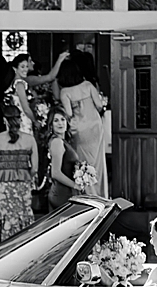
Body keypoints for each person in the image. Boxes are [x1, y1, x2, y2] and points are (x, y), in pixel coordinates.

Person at [0, 104, 40, 248]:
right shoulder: (30, 140)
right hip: (23, 185)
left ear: (4, 120)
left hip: (3, 185)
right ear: (20, 120)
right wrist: (26, 176)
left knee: (3, 216)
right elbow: (34, 168)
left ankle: (1, 248)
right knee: (23, 215)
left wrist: (0, 175)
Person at [57, 45, 109, 195]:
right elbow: (99, 105)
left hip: (79, 129)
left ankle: (87, 194)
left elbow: (68, 113)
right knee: (98, 161)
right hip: (95, 126)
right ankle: (101, 194)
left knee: (82, 162)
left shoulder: (65, 92)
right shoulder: (88, 85)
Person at [7, 50, 67, 135]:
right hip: (23, 122)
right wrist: (35, 121)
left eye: (26, 66)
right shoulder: (20, 83)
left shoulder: (19, 82)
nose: (26, 69)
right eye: (22, 67)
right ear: (15, 68)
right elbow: (26, 108)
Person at [45, 109, 83, 209]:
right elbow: (55, 173)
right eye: (56, 120)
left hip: (67, 193)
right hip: (62, 195)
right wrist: (75, 185)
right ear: (51, 125)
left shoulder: (63, 141)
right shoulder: (57, 142)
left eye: (62, 119)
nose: (60, 123)